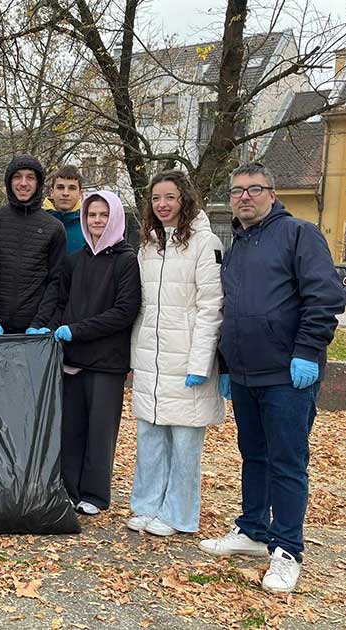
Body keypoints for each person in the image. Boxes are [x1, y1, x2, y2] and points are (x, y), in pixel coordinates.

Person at [199, 162, 344, 594]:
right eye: (238, 190)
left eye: (254, 189)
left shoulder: (299, 235)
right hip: (245, 374)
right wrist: (226, 366)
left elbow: (325, 296)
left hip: (287, 374)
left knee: (286, 461)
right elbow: (231, 311)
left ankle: (288, 549)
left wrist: (305, 352)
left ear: (272, 193)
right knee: (254, 456)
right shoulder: (238, 245)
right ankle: (254, 530)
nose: (244, 197)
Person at [127, 170, 225, 536]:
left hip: (186, 357)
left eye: (169, 197)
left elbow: (211, 306)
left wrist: (201, 362)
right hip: (152, 356)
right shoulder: (148, 245)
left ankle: (179, 514)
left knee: (184, 444)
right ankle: (146, 505)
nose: (162, 205)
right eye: (156, 199)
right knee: (150, 437)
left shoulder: (205, 242)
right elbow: (142, 305)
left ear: (184, 199)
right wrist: (135, 355)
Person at [51, 190, 140, 516]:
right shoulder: (75, 260)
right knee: (71, 428)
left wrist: (78, 330)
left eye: (103, 215)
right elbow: (61, 302)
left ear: (114, 218)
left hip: (107, 362)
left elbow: (124, 311)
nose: (97, 221)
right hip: (73, 359)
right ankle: (68, 489)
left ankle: (95, 494)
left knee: (100, 431)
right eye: (92, 215)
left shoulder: (126, 260)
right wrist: (58, 328)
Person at [0, 155, 66, 335]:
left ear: (38, 183)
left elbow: (55, 280)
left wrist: (39, 323)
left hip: (33, 331)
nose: (23, 183)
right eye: (17, 176)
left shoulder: (54, 227)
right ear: (9, 181)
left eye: (30, 177)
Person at [43, 165, 85, 254]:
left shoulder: (88, 225)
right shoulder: (38, 221)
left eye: (72, 188)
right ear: (51, 192)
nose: (65, 193)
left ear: (80, 193)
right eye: (60, 187)